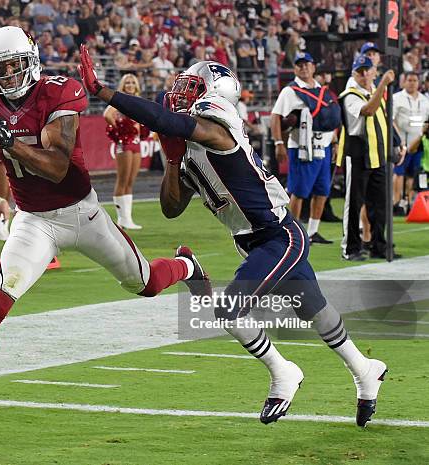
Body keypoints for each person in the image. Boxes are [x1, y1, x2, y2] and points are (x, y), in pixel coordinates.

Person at [0, 26, 209, 430]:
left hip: (81, 213)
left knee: (146, 284)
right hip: (33, 221)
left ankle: (186, 266)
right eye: (1, 69)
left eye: (15, 66)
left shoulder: (59, 91)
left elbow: (57, 166)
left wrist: (10, 142)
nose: (10, 76)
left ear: (31, 60)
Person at [79, 49, 388, 426]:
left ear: (214, 94)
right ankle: (364, 369)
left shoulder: (217, 128)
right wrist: (174, 161)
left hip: (278, 235)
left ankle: (282, 371)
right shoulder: (192, 146)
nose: (179, 94)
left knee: (230, 308)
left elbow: (161, 117)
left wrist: (104, 91)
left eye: (191, 88)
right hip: (255, 240)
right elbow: (170, 208)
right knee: (313, 309)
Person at [271, 52, 341, 245]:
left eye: (307, 64)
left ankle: (312, 232)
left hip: (324, 146)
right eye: (299, 65)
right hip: (302, 147)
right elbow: (275, 116)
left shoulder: (322, 90)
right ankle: (291, 234)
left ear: (313, 67)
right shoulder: (290, 91)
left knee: (322, 191)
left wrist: (334, 142)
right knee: (299, 191)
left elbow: (328, 121)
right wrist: (278, 143)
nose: (304, 68)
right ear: (295, 69)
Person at [337, 56, 401, 261]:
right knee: (354, 203)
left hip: (378, 154)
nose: (364, 75)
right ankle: (350, 247)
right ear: (353, 74)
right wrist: (383, 84)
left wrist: (396, 144)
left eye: (368, 70)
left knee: (380, 204)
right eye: (360, 71)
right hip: (358, 153)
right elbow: (369, 110)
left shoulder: (375, 92)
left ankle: (378, 245)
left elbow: (385, 120)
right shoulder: (350, 95)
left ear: (374, 71)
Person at [104, 74, 144, 230]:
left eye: (132, 82)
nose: (130, 85)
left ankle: (128, 219)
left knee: (130, 182)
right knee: (122, 180)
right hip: (124, 143)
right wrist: (120, 129)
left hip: (136, 142)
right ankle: (122, 218)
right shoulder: (119, 99)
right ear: (122, 84)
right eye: (127, 82)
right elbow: (107, 114)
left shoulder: (138, 99)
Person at [392, 72, 429, 215]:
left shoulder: (424, 100)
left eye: (415, 80)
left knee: (414, 174)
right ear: (403, 82)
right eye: (409, 80)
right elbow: (391, 118)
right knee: (399, 172)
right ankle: (397, 202)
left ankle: (408, 202)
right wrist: (398, 138)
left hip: (418, 142)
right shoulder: (397, 98)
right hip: (402, 142)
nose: (412, 83)